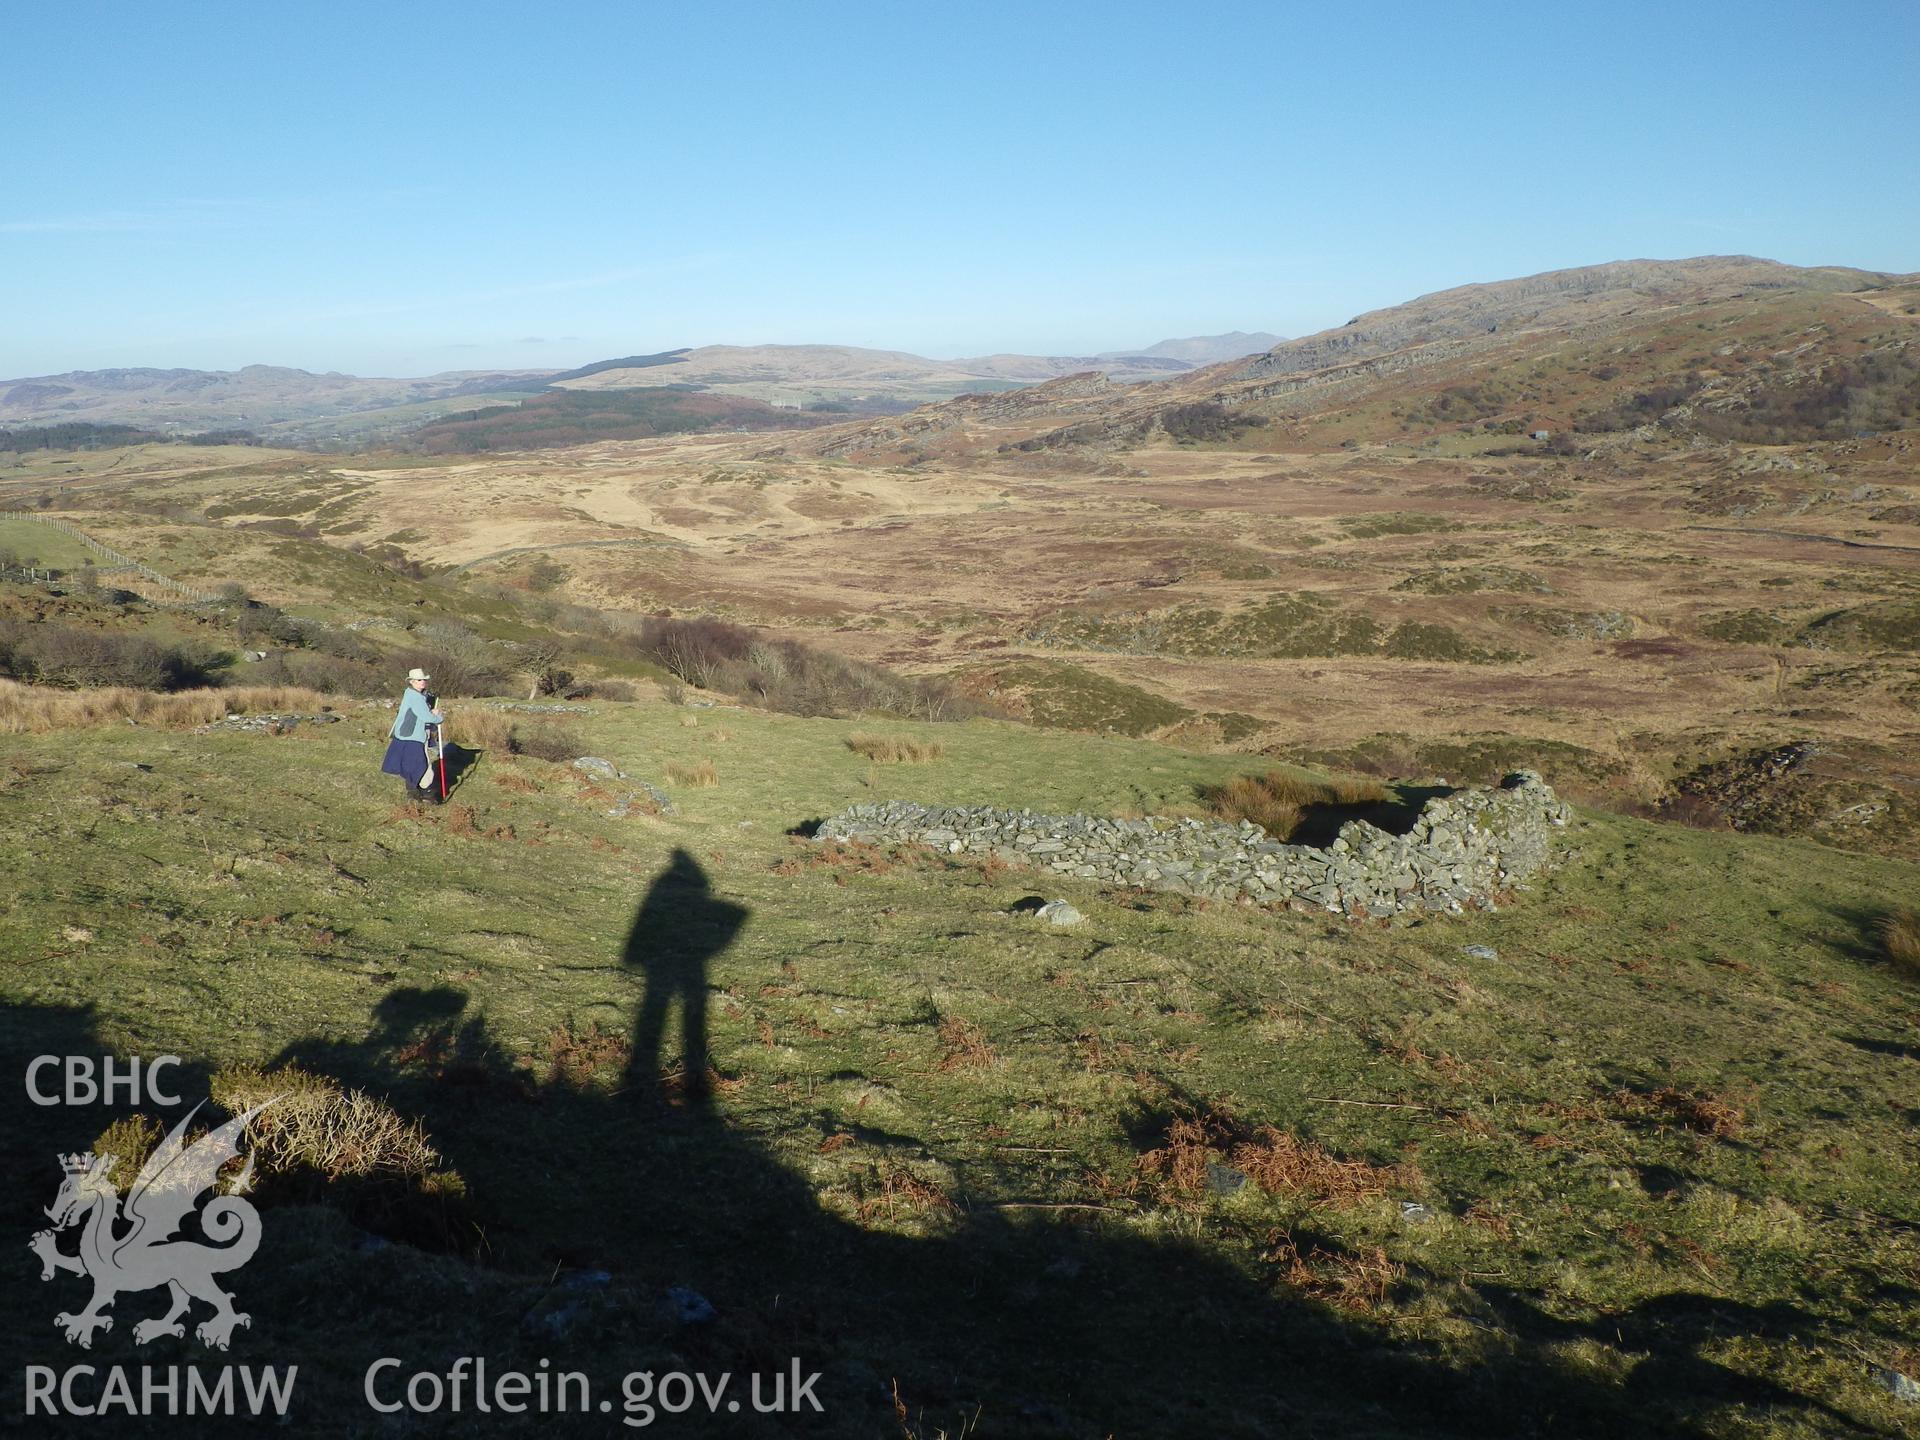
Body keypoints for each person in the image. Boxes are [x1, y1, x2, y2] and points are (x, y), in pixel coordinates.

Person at [381, 667, 446, 803]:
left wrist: (430, 711)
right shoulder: (415, 697)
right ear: (411, 682)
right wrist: (438, 717)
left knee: (415, 763)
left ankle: (416, 793)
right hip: (413, 737)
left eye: (424, 679)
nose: (422, 682)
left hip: (407, 735)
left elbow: (420, 714)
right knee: (420, 764)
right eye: (419, 680)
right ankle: (424, 794)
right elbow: (425, 716)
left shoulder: (412, 694)